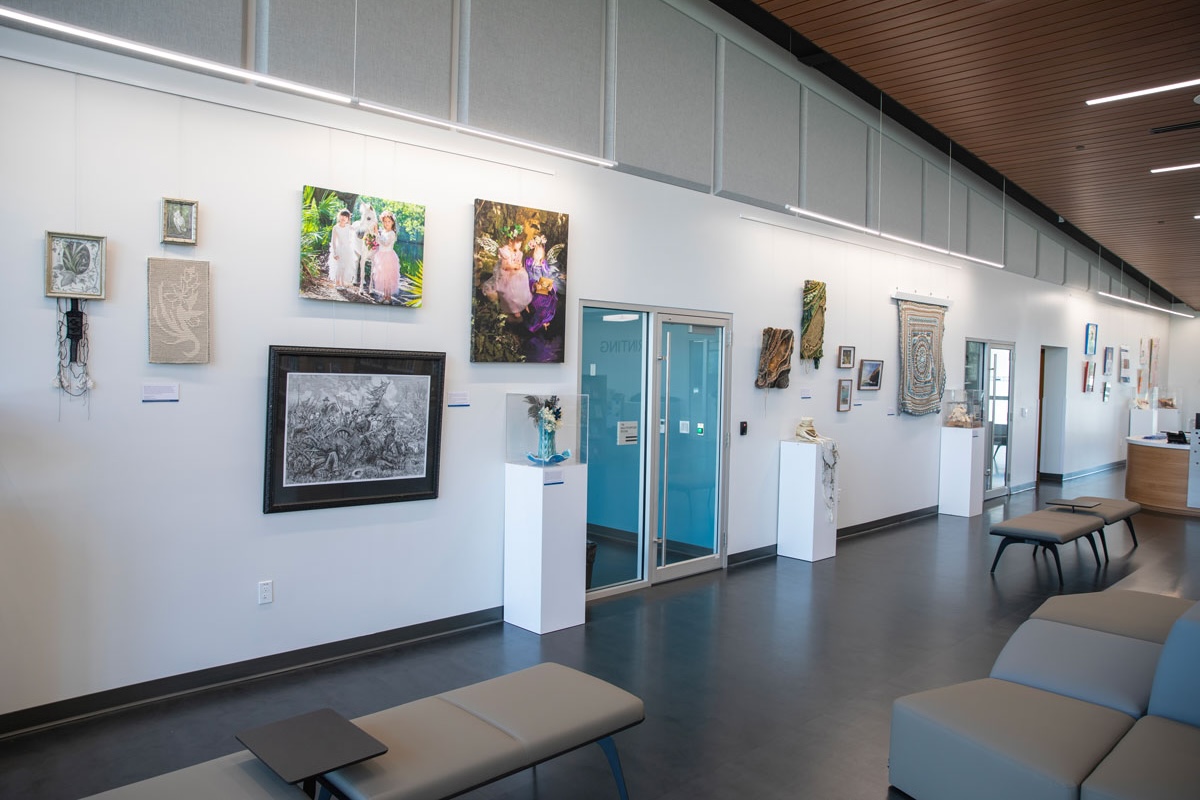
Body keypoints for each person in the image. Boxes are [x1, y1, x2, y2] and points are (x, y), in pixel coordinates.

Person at [486, 224, 533, 316]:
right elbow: (505, 266)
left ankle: (523, 302)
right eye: (518, 243)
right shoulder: (506, 251)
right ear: (511, 241)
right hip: (506, 273)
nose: (520, 245)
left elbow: (518, 262)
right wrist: (514, 266)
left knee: (523, 277)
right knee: (512, 286)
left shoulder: (519, 252)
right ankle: (514, 308)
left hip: (515, 271)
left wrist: (519, 265)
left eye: (521, 243)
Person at [371, 210, 401, 301]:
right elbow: (379, 242)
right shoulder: (383, 231)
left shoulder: (392, 233)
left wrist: (377, 234)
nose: (387, 223)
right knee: (383, 277)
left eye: (389, 221)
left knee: (388, 278)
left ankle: (389, 297)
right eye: (385, 221)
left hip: (388, 257)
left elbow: (385, 243)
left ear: (392, 222)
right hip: (381, 256)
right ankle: (384, 296)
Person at [328, 209, 356, 287]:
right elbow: (333, 241)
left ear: (348, 219)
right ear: (339, 216)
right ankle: (337, 283)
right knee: (339, 266)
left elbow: (357, 230)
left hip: (348, 249)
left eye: (346, 217)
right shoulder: (335, 228)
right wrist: (335, 253)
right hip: (339, 249)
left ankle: (342, 282)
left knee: (345, 266)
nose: (344, 218)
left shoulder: (348, 226)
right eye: (342, 216)